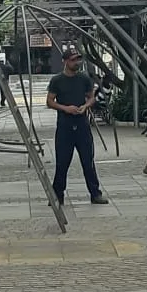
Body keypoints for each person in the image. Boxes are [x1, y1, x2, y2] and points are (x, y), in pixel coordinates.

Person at [46, 47, 108, 205]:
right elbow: (50, 101)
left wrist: (86, 106)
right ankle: (57, 195)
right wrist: (66, 108)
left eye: (78, 59)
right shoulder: (57, 80)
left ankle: (95, 193)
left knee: (88, 161)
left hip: (82, 124)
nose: (76, 63)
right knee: (62, 162)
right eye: (73, 60)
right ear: (65, 62)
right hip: (65, 125)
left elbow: (91, 97)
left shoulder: (84, 79)